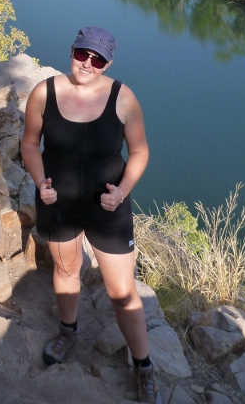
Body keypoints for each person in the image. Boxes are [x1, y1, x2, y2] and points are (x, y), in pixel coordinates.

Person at [20, 26, 161, 404]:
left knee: (121, 291)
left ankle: (143, 366)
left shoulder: (123, 98)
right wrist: (40, 182)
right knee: (67, 270)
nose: (87, 64)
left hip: (108, 207)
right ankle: (68, 331)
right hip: (58, 202)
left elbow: (140, 151)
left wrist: (123, 191)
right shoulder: (44, 93)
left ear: (108, 64)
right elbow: (30, 143)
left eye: (98, 60)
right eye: (82, 54)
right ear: (72, 51)